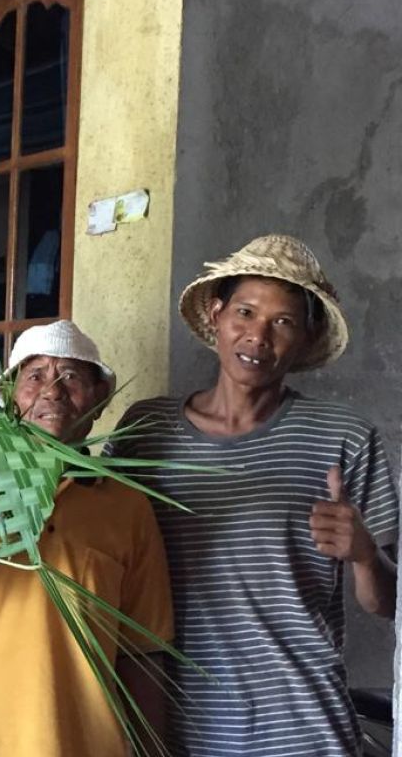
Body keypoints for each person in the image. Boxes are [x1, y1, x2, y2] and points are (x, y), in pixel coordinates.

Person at [109, 234, 398, 756]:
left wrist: (363, 554)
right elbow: (104, 558)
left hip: (304, 731)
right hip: (178, 728)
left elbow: (389, 602)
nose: (258, 336)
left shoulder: (345, 437)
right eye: (245, 311)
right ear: (217, 316)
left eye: (283, 322)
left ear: (307, 338)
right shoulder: (145, 431)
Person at [0, 319, 174, 757]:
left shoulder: (126, 505)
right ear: (13, 399)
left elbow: (144, 652)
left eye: (72, 377)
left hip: (83, 743)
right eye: (35, 375)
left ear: (98, 400)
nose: (52, 391)